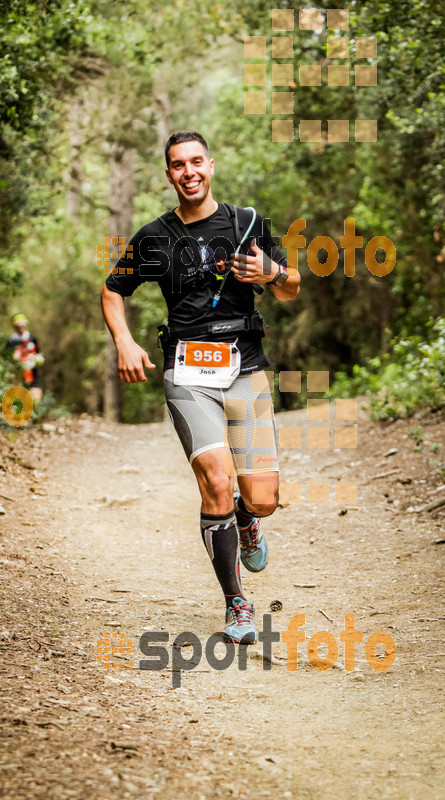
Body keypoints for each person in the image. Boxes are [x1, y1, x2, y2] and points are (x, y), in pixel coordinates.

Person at [101, 131, 300, 644]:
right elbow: (112, 291)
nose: (188, 171)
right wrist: (124, 342)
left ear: (211, 165)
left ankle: (247, 518)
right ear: (168, 174)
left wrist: (271, 272)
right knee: (215, 479)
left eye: (196, 161)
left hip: (246, 368)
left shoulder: (247, 223)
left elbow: (293, 285)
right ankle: (237, 603)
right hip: (186, 373)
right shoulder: (153, 238)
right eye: (177, 165)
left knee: (262, 498)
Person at [7, 313, 44, 403]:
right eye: (17, 326)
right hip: (18, 373)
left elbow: (38, 353)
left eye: (22, 325)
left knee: (36, 392)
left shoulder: (33, 339)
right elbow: (11, 358)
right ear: (14, 327)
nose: (20, 328)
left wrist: (38, 358)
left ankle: (34, 412)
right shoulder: (11, 341)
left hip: (32, 372)